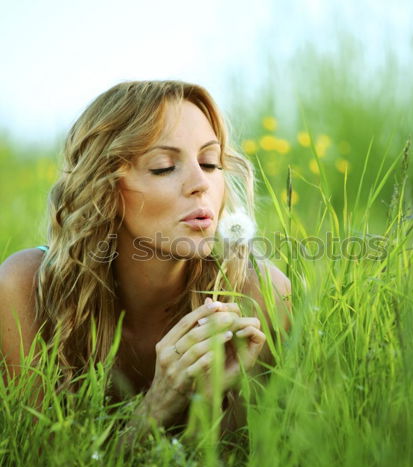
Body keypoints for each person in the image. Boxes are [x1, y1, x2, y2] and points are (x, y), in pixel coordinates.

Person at [0, 80, 292, 445]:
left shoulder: (258, 293)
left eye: (209, 162)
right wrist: (156, 407)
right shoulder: (27, 288)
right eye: (164, 167)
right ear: (102, 187)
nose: (201, 183)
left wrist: (209, 406)